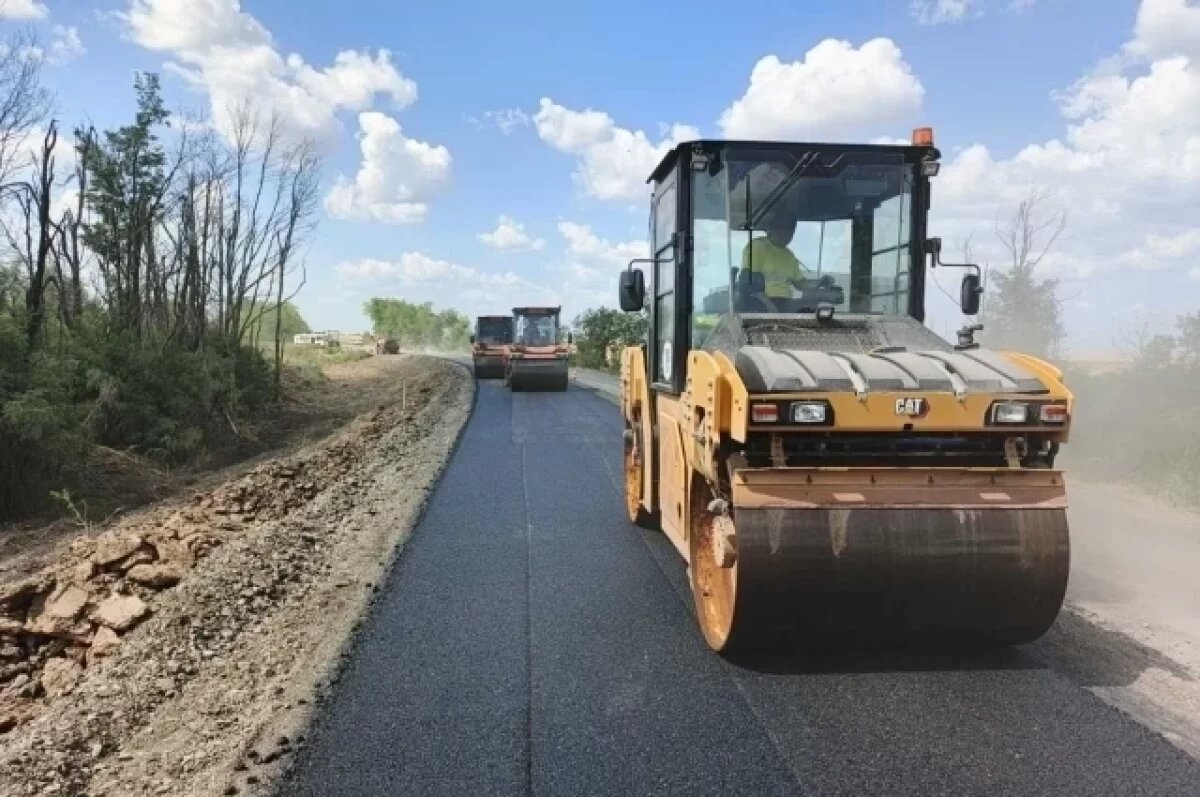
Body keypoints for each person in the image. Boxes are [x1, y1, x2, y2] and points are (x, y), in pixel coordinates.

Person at [740, 208, 810, 307]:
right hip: (760, 305)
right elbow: (752, 287)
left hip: (785, 304)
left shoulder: (789, 255)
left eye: (791, 228)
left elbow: (800, 283)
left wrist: (821, 287)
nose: (788, 233)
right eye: (784, 227)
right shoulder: (756, 247)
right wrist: (772, 310)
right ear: (772, 227)